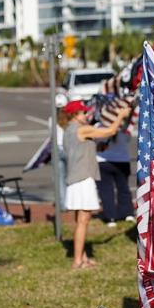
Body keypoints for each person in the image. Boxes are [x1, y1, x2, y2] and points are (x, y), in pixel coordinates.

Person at [63, 100, 129, 269]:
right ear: (75, 115)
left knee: (81, 220)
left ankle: (83, 257)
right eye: (83, 113)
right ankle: (78, 261)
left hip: (76, 179)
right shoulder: (82, 129)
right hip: (83, 179)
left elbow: (86, 148)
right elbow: (111, 130)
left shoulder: (69, 130)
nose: (86, 115)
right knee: (83, 220)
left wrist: (99, 148)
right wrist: (120, 115)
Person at [95, 130, 134, 227]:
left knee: (106, 190)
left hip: (103, 161)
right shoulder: (124, 128)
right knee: (123, 188)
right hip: (121, 160)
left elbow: (95, 140)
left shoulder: (99, 126)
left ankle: (110, 217)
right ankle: (127, 213)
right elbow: (128, 139)